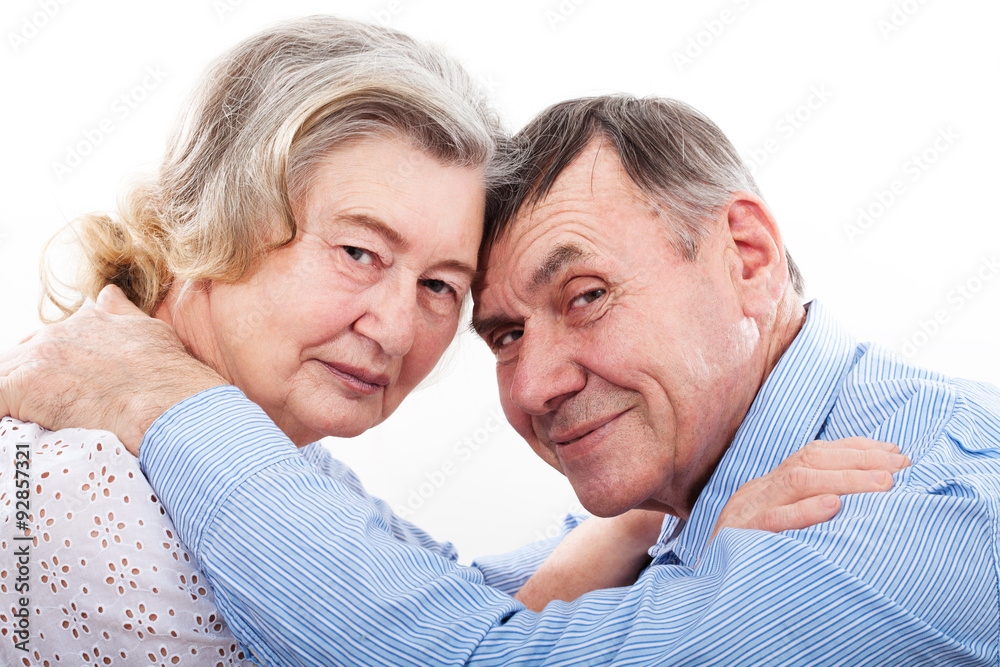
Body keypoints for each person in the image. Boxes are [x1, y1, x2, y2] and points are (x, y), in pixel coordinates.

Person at [0, 18, 903, 666]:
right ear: (204, 223)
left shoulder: (273, 461)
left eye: (441, 286)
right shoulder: (85, 498)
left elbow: (436, 609)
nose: (397, 327)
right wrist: (702, 561)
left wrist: (676, 506)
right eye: (359, 251)